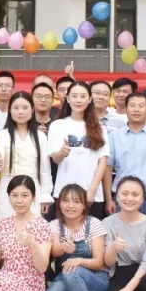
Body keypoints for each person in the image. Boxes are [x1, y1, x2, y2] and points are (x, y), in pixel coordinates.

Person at [39, 183, 110, 291]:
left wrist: (79, 261)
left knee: (71, 269)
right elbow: (54, 250)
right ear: (59, 203)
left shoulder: (94, 224)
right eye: (66, 200)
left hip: (95, 280)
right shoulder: (54, 225)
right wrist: (63, 247)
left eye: (77, 201)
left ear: (84, 205)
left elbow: (99, 262)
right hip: (66, 278)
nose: (71, 205)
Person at [105, 91, 146, 223]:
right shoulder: (114, 136)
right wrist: (108, 199)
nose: (136, 110)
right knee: (122, 235)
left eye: (141, 106)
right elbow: (108, 168)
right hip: (122, 198)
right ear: (126, 109)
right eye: (132, 106)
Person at [0, 91, 52, 220]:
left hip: (32, 188)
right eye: (16, 108)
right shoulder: (2, 135)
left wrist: (45, 195)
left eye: (25, 107)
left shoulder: (41, 137)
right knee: (6, 226)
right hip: (7, 188)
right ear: (10, 111)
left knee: (32, 228)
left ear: (32, 109)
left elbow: (45, 170)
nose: (20, 112)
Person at [49, 81, 110, 218]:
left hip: (92, 194)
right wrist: (62, 153)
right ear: (67, 98)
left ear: (89, 99)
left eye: (83, 96)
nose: (78, 100)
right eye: (74, 96)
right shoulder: (57, 125)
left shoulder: (100, 127)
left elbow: (102, 161)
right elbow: (55, 159)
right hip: (64, 193)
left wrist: (92, 191)